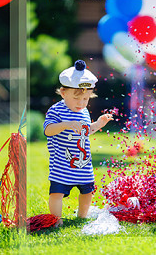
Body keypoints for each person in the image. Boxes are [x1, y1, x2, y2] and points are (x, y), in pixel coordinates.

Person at [44, 60, 113, 224]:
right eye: (77, 98)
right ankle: (56, 219)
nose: (81, 103)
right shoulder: (56, 110)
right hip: (62, 163)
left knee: (88, 191)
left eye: (85, 99)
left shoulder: (83, 112)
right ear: (63, 93)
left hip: (83, 164)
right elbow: (48, 130)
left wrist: (98, 124)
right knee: (57, 193)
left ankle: (82, 216)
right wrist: (65, 125)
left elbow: (85, 132)